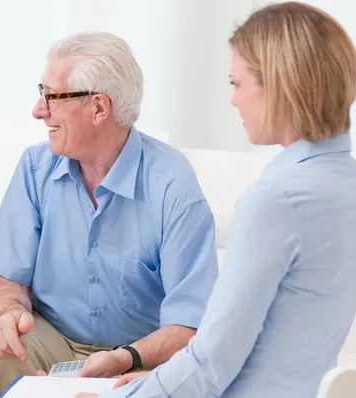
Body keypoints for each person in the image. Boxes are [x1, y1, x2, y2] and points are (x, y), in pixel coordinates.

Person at [77, 2, 356, 398]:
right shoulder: (345, 184)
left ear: (278, 84)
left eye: (236, 84)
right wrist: (157, 380)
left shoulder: (276, 199)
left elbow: (213, 363)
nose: (233, 101)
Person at [0, 32, 218, 398]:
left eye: (50, 96)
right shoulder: (35, 167)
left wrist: (124, 358)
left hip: (143, 354)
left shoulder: (173, 186)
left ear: (99, 108)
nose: (39, 110)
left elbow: (190, 327)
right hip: (53, 338)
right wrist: (8, 312)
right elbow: (11, 281)